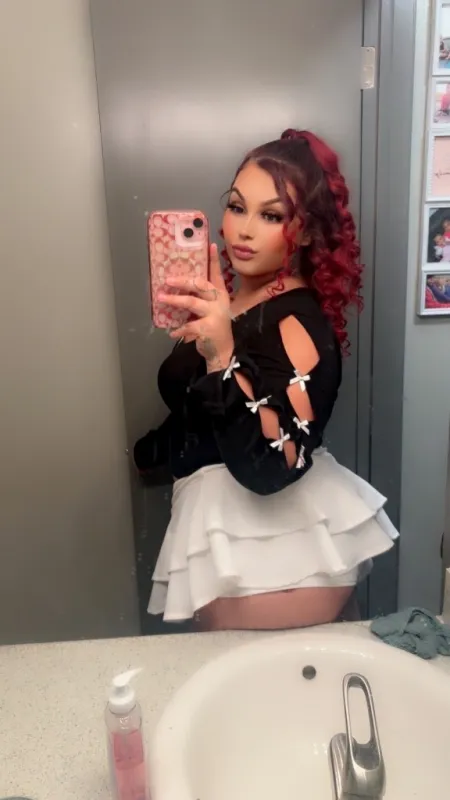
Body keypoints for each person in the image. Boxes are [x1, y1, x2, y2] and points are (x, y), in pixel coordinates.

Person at [134, 129, 398, 631]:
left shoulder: (298, 321)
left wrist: (222, 355)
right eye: (237, 207)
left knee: (260, 673)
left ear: (309, 232)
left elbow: (273, 466)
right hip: (230, 534)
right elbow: (199, 411)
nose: (244, 230)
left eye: (271, 215)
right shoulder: (229, 303)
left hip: (287, 555)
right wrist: (149, 454)